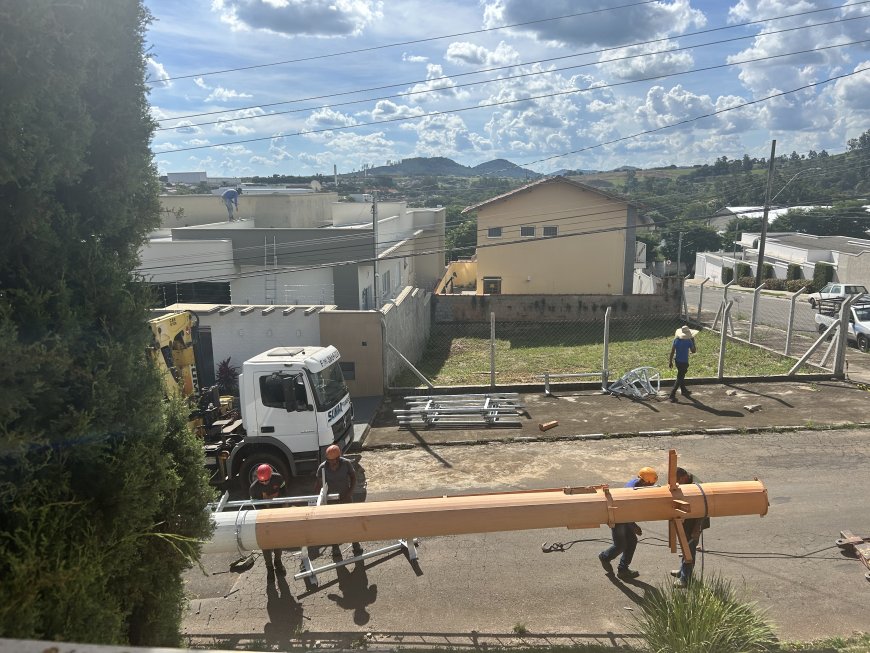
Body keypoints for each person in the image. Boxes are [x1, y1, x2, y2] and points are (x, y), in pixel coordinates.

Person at [598, 466, 658, 580]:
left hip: (625, 517)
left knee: (632, 541)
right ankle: (605, 557)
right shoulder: (631, 491)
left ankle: (623, 570)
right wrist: (634, 526)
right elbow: (624, 511)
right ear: (644, 482)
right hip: (618, 517)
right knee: (620, 545)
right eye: (650, 485)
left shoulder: (637, 483)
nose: (650, 487)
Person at [315, 444, 363, 557]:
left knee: (350, 522)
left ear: (338, 458)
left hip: (345, 497)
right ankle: (335, 547)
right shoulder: (322, 467)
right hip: (330, 500)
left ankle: (355, 544)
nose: (331, 462)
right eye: (329, 460)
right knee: (333, 525)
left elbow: (353, 477)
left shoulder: (346, 463)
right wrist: (320, 500)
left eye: (334, 460)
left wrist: (350, 492)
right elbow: (318, 485)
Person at [671, 467, 710, 588]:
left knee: (689, 549)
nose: (677, 484)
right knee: (685, 546)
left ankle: (685, 578)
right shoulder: (687, 479)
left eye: (678, 481)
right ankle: (683, 571)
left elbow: (704, 510)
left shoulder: (697, 486)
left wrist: (696, 528)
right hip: (689, 519)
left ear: (684, 477)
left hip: (696, 522)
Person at [249, 464, 286, 579]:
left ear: (271, 475)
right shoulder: (254, 488)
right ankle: (269, 568)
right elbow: (254, 506)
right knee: (265, 544)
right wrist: (265, 503)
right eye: (262, 482)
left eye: (267, 481)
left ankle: (278, 562)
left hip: (277, 514)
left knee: (278, 540)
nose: (264, 483)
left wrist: (276, 499)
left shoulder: (278, 478)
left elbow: (285, 493)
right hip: (263, 517)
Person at [668, 325, 698, 402]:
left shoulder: (676, 340)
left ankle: (683, 390)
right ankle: (672, 394)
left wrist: (670, 361)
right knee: (680, 377)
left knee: (681, 375)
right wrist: (693, 341)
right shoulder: (689, 341)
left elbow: (672, 352)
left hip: (677, 361)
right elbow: (693, 351)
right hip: (684, 362)